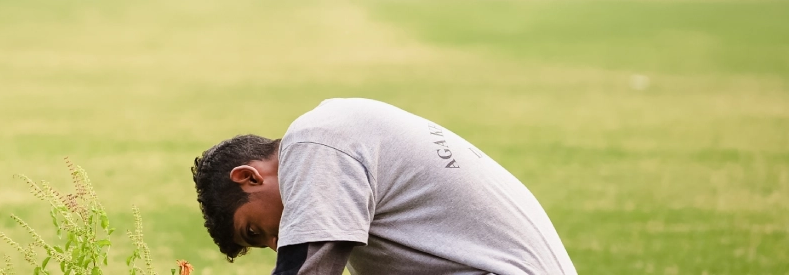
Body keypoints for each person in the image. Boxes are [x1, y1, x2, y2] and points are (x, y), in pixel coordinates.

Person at [191, 98, 578, 275]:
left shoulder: (313, 142)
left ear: (249, 176)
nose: (277, 244)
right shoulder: (339, 129)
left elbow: (306, 270)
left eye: (255, 231)